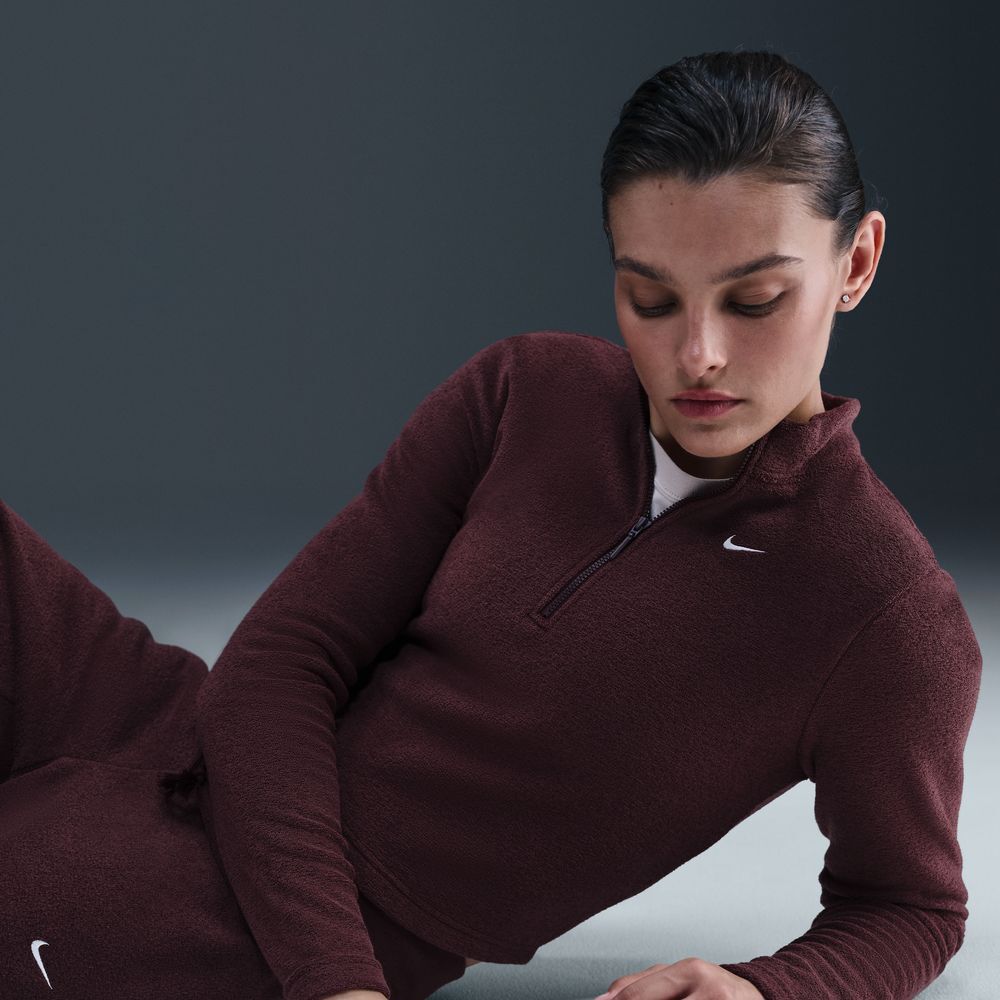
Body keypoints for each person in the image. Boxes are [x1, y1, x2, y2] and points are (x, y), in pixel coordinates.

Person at [0, 47, 983, 1000]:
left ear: (856, 263)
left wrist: (763, 989)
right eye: (650, 297)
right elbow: (280, 662)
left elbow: (911, 906)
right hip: (173, 725)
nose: (699, 354)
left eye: (755, 299)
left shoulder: (882, 613)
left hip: (249, 912)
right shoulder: (525, 391)